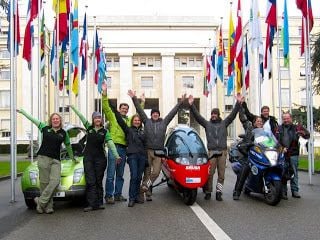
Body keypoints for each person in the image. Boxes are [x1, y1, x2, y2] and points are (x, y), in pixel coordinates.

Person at [128, 90, 186, 201]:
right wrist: (134, 98)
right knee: (147, 172)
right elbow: (139, 110)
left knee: (156, 172)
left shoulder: (164, 122)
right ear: (151, 115)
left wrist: (181, 102)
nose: (155, 114)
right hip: (148, 151)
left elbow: (173, 112)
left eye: (157, 113)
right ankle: (147, 193)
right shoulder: (146, 121)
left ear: (159, 115)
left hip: (158, 152)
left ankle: (144, 187)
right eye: (153, 113)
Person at [17, 109, 74, 214]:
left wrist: (72, 158)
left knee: (55, 181)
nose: (55, 120)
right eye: (53, 119)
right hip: (43, 158)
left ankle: (40, 201)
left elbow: (68, 146)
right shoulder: (45, 128)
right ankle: (48, 207)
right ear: (51, 120)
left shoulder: (64, 133)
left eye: (57, 119)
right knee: (44, 183)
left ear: (60, 120)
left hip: (56, 160)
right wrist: (23, 112)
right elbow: (33, 119)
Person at [188, 94, 242, 201]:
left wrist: (238, 103)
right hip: (212, 152)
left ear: (218, 115)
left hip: (222, 151)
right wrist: (191, 105)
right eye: (212, 114)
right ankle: (208, 192)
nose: (213, 115)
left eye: (215, 114)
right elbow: (198, 117)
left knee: (221, 174)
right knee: (210, 174)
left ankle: (219, 192)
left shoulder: (224, 123)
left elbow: (232, 115)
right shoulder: (207, 124)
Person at [69, 106, 120, 211]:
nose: (97, 119)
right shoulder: (89, 128)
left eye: (99, 118)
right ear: (93, 120)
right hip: (88, 158)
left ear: (101, 120)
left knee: (98, 181)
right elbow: (81, 116)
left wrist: (116, 155)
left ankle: (99, 203)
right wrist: (74, 108)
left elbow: (110, 144)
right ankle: (91, 204)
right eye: (96, 118)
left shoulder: (105, 132)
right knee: (90, 181)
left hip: (100, 159)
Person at [101, 82, 145, 204]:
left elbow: (138, 116)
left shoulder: (129, 120)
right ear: (119, 109)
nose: (124, 110)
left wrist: (141, 102)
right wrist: (104, 93)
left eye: (126, 109)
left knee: (120, 174)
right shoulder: (113, 116)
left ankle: (118, 194)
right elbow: (105, 107)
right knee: (111, 173)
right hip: (113, 147)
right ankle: (109, 195)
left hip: (124, 148)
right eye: (123, 108)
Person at [109, 100, 147, 207]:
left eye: (138, 120)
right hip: (132, 156)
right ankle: (131, 198)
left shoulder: (143, 132)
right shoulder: (128, 130)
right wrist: (116, 111)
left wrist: (146, 159)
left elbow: (145, 145)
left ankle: (135, 197)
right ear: (132, 121)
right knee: (134, 176)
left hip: (142, 157)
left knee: (139, 177)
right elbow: (120, 121)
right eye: (135, 120)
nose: (137, 122)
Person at [233, 106, 274, 200]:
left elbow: (271, 142)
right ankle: (237, 192)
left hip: (260, 154)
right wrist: (240, 106)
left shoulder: (265, 133)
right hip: (249, 154)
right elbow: (243, 119)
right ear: (254, 122)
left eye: (261, 121)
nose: (259, 122)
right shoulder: (250, 128)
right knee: (245, 170)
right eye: (257, 121)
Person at [275, 112, 310, 199]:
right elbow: (274, 140)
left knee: (294, 172)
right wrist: (281, 149)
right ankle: (283, 191)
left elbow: (307, 135)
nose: (286, 120)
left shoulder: (297, 127)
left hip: (293, 153)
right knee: (282, 172)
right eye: (284, 118)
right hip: (282, 153)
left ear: (291, 118)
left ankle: (295, 191)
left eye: (287, 118)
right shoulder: (278, 128)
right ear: (282, 119)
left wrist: (303, 133)